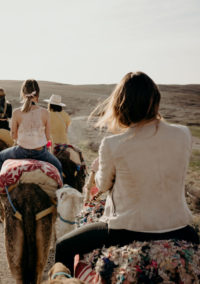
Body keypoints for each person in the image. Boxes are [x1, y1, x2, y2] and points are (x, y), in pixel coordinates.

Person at [55, 71, 199, 273]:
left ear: (121, 105)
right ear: (155, 99)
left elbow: (103, 185)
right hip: (180, 228)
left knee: (63, 246)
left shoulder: (113, 144)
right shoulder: (183, 134)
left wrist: (97, 170)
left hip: (127, 230)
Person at [0, 79, 63, 196]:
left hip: (20, 152)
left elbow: (14, 136)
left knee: (0, 157)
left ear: (23, 93)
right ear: (38, 94)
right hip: (41, 153)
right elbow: (47, 137)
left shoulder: (17, 113)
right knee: (58, 165)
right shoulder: (45, 113)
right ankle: (62, 194)